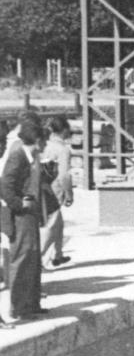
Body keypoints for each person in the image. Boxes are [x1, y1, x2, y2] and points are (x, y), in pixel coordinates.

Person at [1, 122, 47, 321]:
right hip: (20, 216)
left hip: (32, 214)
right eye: (44, 140)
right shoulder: (18, 156)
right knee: (21, 258)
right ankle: (19, 307)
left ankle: (32, 303)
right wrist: (20, 204)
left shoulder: (33, 157)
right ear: (37, 141)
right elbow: (5, 186)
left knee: (34, 258)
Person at [39, 117, 73, 268]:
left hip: (42, 186)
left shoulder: (45, 145)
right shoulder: (63, 149)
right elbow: (64, 175)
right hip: (55, 189)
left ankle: (58, 254)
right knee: (52, 225)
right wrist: (69, 194)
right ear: (64, 130)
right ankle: (38, 258)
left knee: (58, 223)